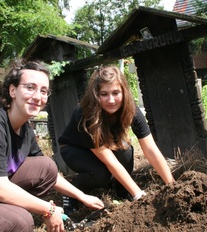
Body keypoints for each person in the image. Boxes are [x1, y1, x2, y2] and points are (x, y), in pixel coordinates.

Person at [0, 59, 104, 232]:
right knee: (19, 221)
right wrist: (48, 209)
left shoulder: (25, 129)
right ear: (12, 90)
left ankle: (2, 214)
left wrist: (82, 196)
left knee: (46, 166)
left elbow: (50, 175)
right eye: (30, 87)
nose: (38, 96)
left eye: (43, 91)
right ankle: (2, 219)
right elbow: (0, 189)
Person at [59, 65, 175, 213]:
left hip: (105, 145)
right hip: (74, 149)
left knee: (125, 151)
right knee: (101, 173)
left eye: (116, 93)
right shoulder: (86, 115)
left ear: (123, 92)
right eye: (104, 94)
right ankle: (70, 192)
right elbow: (110, 161)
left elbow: (151, 149)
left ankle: (122, 190)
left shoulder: (131, 109)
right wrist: (139, 194)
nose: (111, 100)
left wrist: (171, 186)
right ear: (96, 94)